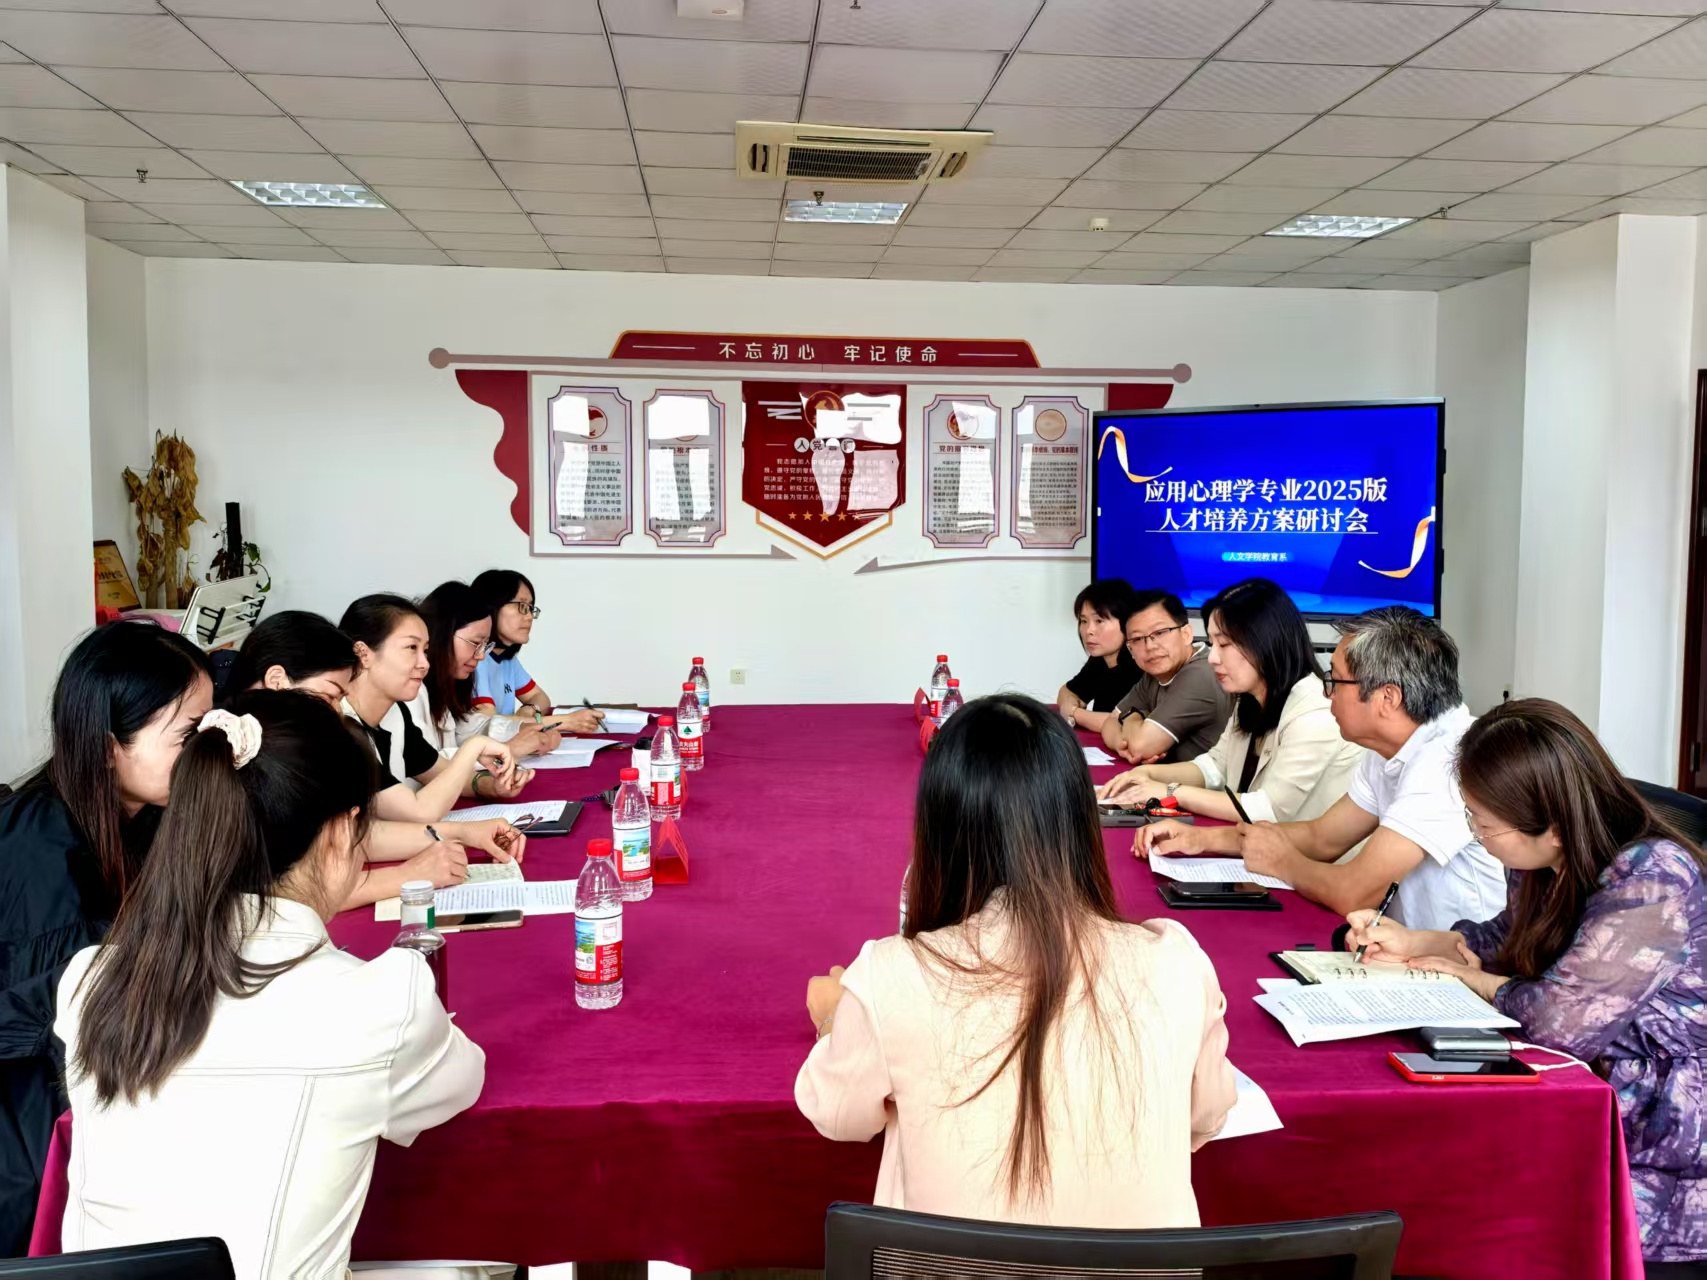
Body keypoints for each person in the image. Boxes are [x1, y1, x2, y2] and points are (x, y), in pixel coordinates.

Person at [55, 691, 490, 1278]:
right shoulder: (383, 1001)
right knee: (473, 1261)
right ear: (341, 832)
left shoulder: (90, 980)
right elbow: (460, 1082)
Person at [795, 693, 1233, 1227]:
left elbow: (839, 1115)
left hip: (946, 1264)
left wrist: (833, 1022)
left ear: (939, 830)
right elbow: (1205, 1116)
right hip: (1141, 1266)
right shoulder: (1176, 962)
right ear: (1078, 821)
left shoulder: (890, 976)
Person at [1347, 700, 1707, 1277]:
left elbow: (1560, 1024)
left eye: (1483, 823)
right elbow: (1505, 939)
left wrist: (1476, 980)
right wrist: (1412, 941)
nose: (1476, 835)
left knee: (1471, 1204)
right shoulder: (1545, 862)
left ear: (1553, 825)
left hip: (1660, 1138)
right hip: (1580, 1092)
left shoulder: (1652, 878)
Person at [0, 622, 211, 1255]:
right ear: (107, 747)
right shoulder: (42, 850)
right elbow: (59, 1017)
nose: (204, 751)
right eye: (188, 735)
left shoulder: (142, 816)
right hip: (32, 1133)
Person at [1147, 606, 1505, 931]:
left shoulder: (1447, 762)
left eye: (1335, 680)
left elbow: (1354, 892)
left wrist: (1284, 863)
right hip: (1397, 946)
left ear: (1388, 698)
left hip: (1456, 963)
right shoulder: (1390, 746)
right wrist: (1201, 840)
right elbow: (1323, 838)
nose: (1326, 694)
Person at [229, 610, 527, 905]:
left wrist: (463, 832)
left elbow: (350, 835)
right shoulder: (250, 758)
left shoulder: (306, 743)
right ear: (277, 680)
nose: (336, 711)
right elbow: (275, 890)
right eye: (330, 696)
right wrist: (407, 875)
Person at [1102, 578, 1363, 826]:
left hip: (1308, 855)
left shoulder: (1315, 711)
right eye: (1212, 643)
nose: (1213, 657)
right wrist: (1148, 775)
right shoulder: (1248, 698)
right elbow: (1215, 767)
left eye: (1224, 644)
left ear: (1266, 642)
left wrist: (1169, 791)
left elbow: (1269, 809)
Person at [338, 594, 530, 821]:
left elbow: (442, 775)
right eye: (411, 647)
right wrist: (474, 748)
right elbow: (418, 811)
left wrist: (492, 786)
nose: (424, 663)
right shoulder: (338, 729)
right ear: (363, 653)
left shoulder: (395, 714)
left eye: (425, 650)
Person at [413, 581, 562, 761]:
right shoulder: (413, 692)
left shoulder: (449, 683)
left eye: (485, 645)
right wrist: (509, 749)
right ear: (441, 635)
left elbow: (471, 727)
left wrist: (524, 730)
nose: (481, 656)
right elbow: (429, 766)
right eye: (476, 643)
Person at [1101, 590, 1232, 766]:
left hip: (1208, 783)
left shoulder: (1201, 674)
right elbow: (1110, 722)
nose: (1150, 646)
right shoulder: (1154, 673)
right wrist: (1121, 745)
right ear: (1130, 649)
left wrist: (1131, 716)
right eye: (1138, 639)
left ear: (1186, 634)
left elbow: (1140, 747)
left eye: (1160, 632)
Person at [471, 568, 603, 735]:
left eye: (530, 608)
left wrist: (528, 709)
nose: (529, 617)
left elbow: (541, 698)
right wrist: (566, 721)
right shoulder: (476, 660)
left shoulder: (506, 659)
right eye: (521, 606)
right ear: (492, 606)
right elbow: (490, 724)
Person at [1055, 579, 1141, 734]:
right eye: (1084, 621)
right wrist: (1073, 706)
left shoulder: (1141, 665)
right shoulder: (1099, 660)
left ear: (1127, 623)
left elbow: (1124, 724)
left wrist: (1074, 713)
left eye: (1099, 621)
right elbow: (1066, 692)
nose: (1089, 631)